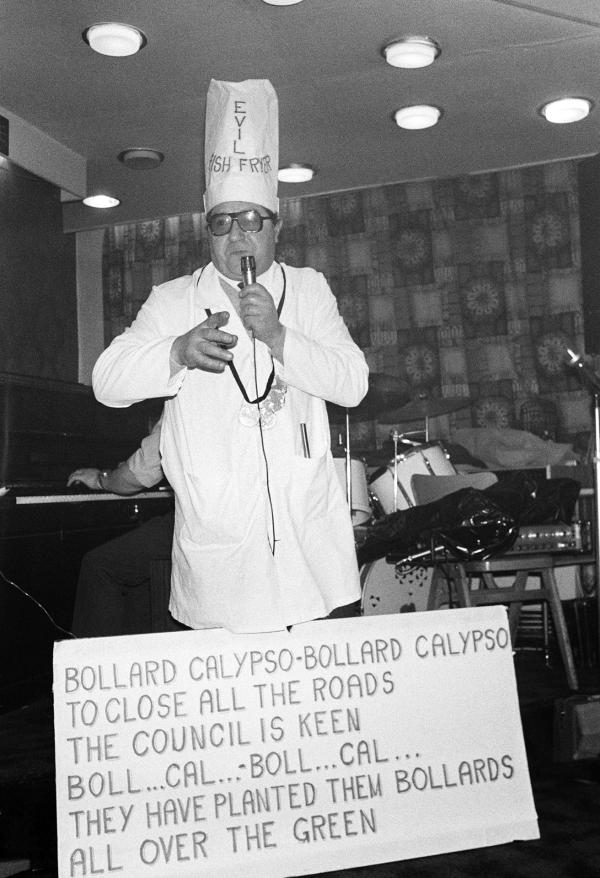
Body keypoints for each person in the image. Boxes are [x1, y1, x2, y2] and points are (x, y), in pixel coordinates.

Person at [92, 79, 369, 634]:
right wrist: (176, 351)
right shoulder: (173, 300)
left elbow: (353, 385)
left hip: (312, 558)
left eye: (251, 221)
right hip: (221, 566)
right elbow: (106, 382)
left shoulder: (309, 290)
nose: (238, 236)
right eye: (222, 223)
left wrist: (280, 336)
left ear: (275, 227)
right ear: (208, 231)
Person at [67, 418, 176, 637]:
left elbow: (138, 474)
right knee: (137, 567)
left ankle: (94, 665)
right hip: (254, 522)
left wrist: (101, 478)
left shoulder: (182, 399)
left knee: (99, 565)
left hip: (203, 523)